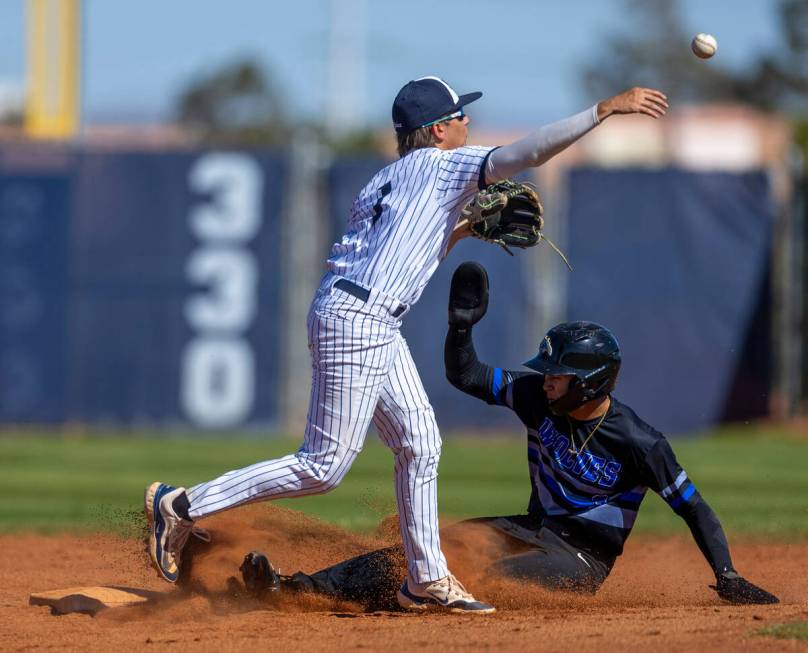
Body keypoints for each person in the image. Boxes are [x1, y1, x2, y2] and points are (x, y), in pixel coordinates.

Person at [146, 76, 669, 615]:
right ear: (437, 129)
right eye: (460, 116)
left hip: (363, 316)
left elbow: (404, 256)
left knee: (420, 442)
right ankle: (183, 505)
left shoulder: (386, 180)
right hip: (360, 321)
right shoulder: (444, 166)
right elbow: (530, 151)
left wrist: (460, 232)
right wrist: (603, 110)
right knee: (322, 465)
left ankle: (425, 579)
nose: (468, 122)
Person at [238, 263, 779, 611]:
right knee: (426, 550)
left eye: (557, 372)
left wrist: (726, 574)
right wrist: (460, 329)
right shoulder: (534, 396)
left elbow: (694, 508)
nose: (546, 379)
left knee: (471, 569)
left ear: (590, 381)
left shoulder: (640, 441)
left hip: (580, 562)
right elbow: (467, 375)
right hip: (531, 526)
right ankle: (295, 589)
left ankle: (401, 606)